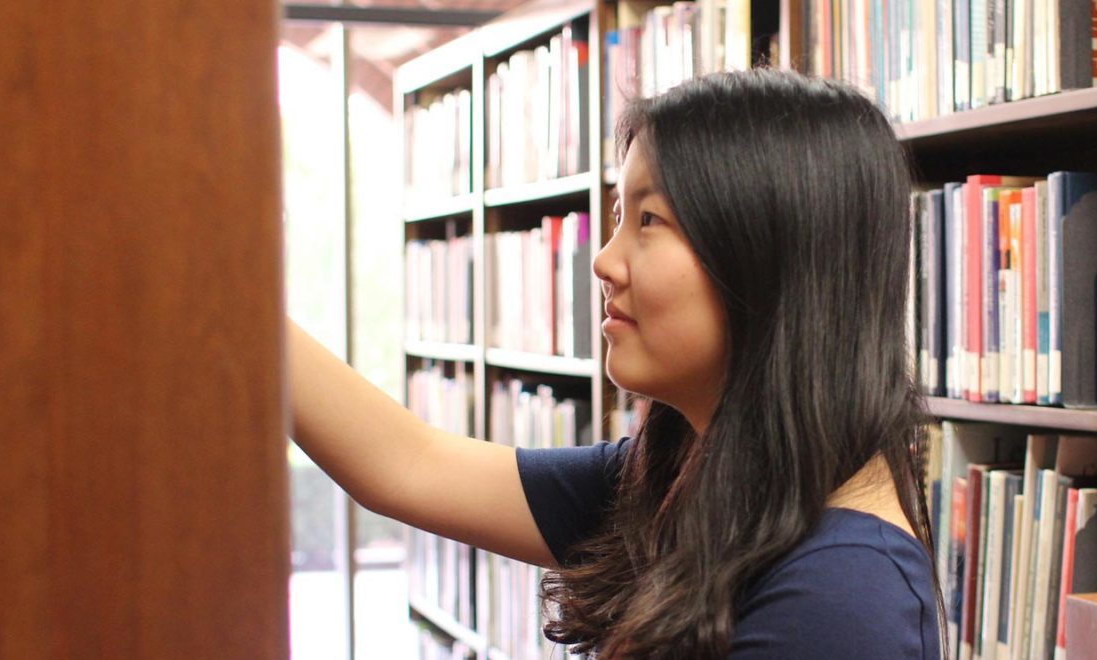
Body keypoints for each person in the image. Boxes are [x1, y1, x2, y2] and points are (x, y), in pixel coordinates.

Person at [289, 68, 941, 659]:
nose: (602, 261)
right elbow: (406, 464)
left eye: (649, 219)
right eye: (619, 217)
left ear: (771, 258)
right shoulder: (694, 482)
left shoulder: (840, 604)